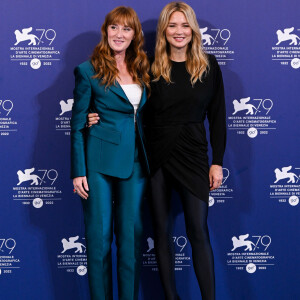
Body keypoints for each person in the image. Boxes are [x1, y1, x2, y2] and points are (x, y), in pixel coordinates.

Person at [88, 2, 226, 299]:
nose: (179, 31)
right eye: (172, 25)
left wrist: (218, 162)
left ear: (193, 30)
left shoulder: (210, 65)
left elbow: (218, 118)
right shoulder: (147, 66)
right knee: (161, 234)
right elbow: (126, 103)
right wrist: (95, 114)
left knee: (198, 232)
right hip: (157, 155)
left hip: (194, 154)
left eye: (184, 25)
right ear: (164, 30)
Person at [71, 6, 150, 300]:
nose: (120, 34)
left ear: (134, 35)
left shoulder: (144, 68)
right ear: (106, 31)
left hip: (136, 164)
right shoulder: (87, 70)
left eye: (126, 29)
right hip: (98, 164)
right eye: (114, 27)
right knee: (99, 241)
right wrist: (78, 170)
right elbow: (78, 123)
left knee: (130, 240)